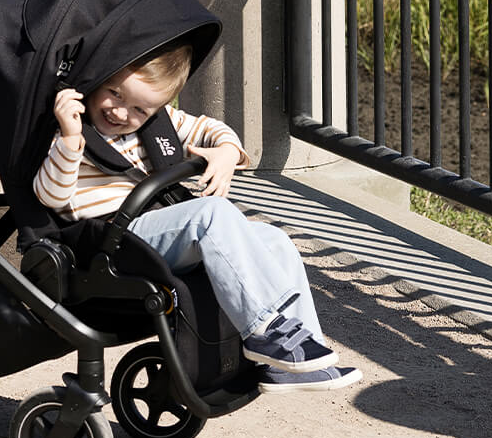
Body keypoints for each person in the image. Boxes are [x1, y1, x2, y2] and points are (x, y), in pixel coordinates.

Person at [38, 43, 362, 393]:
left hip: (151, 229)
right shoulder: (70, 131)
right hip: (109, 239)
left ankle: (296, 351)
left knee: (274, 241)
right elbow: (51, 196)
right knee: (210, 214)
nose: (120, 112)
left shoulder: (154, 123)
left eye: (138, 108)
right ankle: (263, 330)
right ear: (97, 79)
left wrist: (226, 152)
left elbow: (210, 128)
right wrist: (70, 140)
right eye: (114, 93)